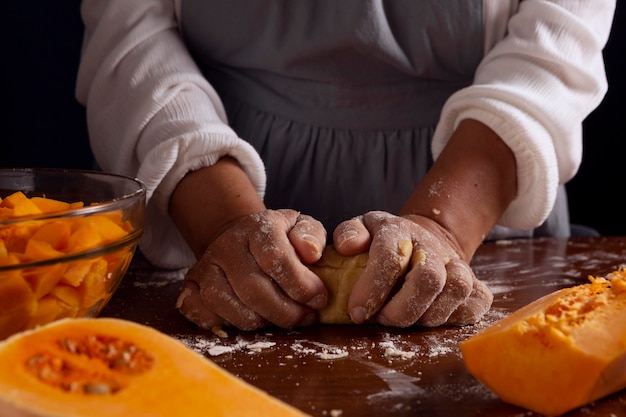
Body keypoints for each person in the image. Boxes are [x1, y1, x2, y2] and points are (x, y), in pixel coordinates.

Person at [76, 1, 616, 331]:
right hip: (205, 196)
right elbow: (130, 41)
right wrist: (222, 224)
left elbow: (553, 51)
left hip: (482, 205)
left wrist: (444, 226)